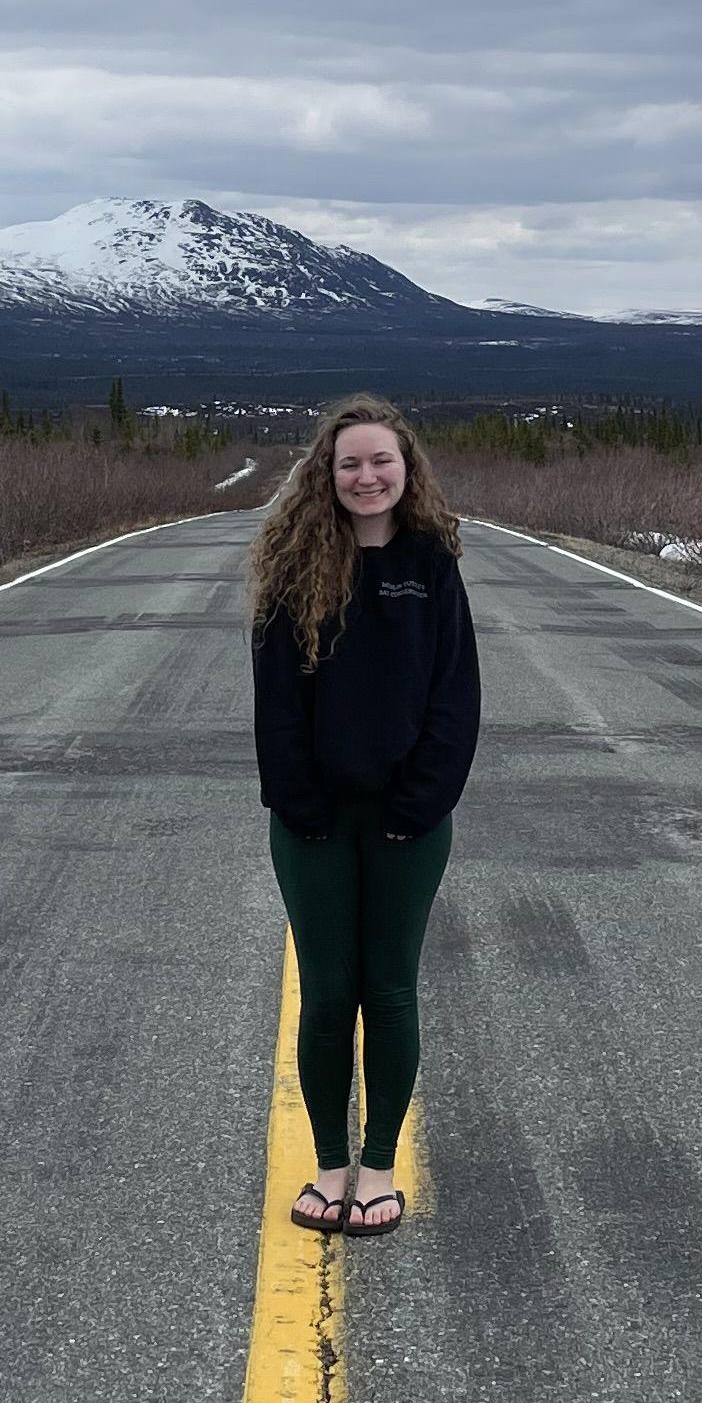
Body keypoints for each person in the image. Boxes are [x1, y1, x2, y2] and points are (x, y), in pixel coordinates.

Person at [245, 393, 481, 1236]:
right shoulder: (293, 565)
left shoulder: (432, 564)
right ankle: (329, 1165)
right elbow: (275, 703)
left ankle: (378, 1165)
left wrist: (419, 804)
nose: (367, 475)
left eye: (382, 460)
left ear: (406, 468)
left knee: (388, 988)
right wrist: (299, 802)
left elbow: (455, 700)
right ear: (327, 473)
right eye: (350, 463)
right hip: (311, 820)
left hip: (408, 821)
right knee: (326, 993)